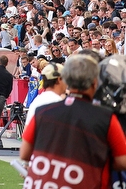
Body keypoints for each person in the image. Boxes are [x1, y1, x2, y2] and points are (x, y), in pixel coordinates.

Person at [20, 53, 126, 188]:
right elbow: (122, 161)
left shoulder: (43, 110)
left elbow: (24, 153)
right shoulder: (105, 117)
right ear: (95, 82)